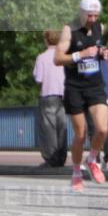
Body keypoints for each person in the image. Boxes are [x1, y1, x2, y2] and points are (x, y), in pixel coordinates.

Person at [55, 0, 108, 191]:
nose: (93, 19)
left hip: (95, 86)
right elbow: (57, 58)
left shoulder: (100, 27)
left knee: (102, 129)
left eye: (95, 15)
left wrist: (102, 53)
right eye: (89, 16)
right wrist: (81, 55)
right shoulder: (69, 30)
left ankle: (92, 159)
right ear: (81, 13)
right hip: (75, 87)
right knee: (80, 134)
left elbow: (99, 48)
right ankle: (76, 172)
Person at [32, 30, 67, 167]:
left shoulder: (42, 57)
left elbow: (38, 79)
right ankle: (61, 157)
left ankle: (51, 159)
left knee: (48, 129)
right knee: (61, 127)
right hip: (63, 95)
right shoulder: (64, 56)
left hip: (48, 95)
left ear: (46, 40)